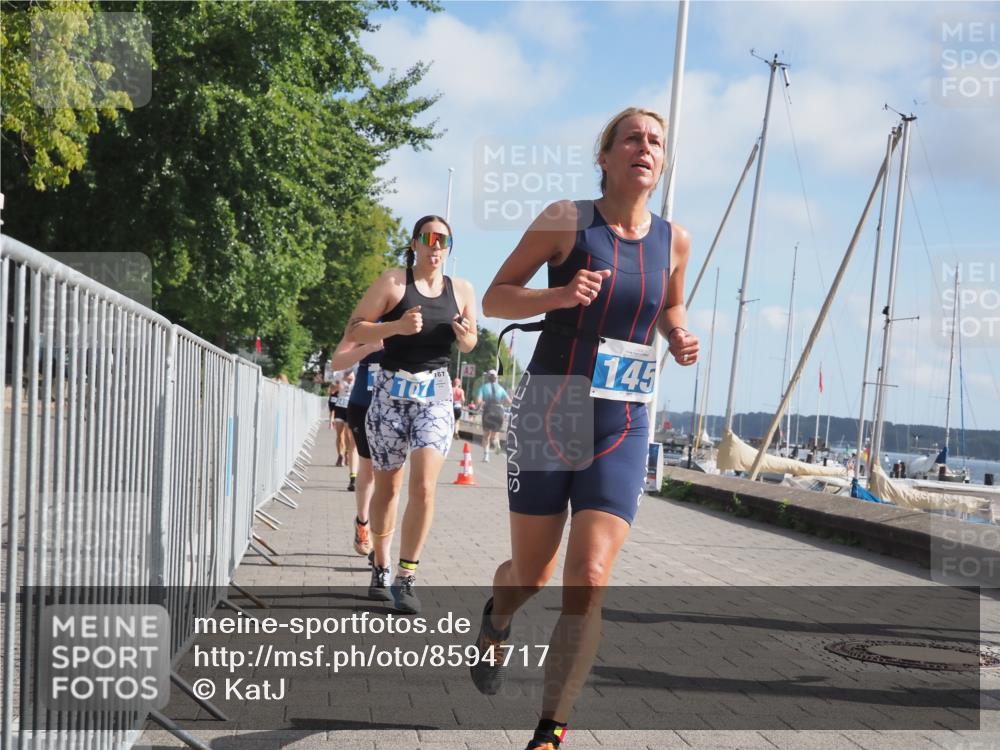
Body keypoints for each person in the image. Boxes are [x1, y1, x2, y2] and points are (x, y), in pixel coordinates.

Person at [470, 107, 699, 750]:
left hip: (622, 419)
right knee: (532, 574)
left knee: (590, 577)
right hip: (552, 407)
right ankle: (497, 618)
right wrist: (557, 296)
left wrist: (677, 332)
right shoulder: (567, 220)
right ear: (605, 157)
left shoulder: (675, 240)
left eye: (656, 141)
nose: (644, 147)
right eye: (632, 138)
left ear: (662, 162)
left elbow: (670, 299)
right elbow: (495, 297)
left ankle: (551, 729)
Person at [347, 215, 478, 613]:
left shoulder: (463, 289)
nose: (436, 246)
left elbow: (471, 342)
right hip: (389, 392)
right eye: (429, 238)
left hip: (435, 394)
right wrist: (397, 327)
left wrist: (465, 335)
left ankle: (406, 575)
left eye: (444, 240)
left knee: (424, 487)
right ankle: (381, 565)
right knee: (389, 489)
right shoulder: (393, 282)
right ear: (416, 243)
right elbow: (355, 329)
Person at [327, 334, 385, 556]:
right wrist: (369, 347)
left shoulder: (414, 317)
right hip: (364, 405)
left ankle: (382, 548)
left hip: (400, 408)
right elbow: (338, 361)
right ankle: (363, 523)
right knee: (368, 469)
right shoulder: (369, 319)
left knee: (391, 480)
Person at [475, 369, 511, 462]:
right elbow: (509, 402)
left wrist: (480, 405)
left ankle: (486, 456)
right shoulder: (501, 388)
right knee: (495, 435)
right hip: (499, 411)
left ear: (488, 377)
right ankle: (496, 444)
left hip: (488, 410)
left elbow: (478, 401)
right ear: (496, 378)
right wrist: (503, 404)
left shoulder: (483, 387)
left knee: (486, 435)